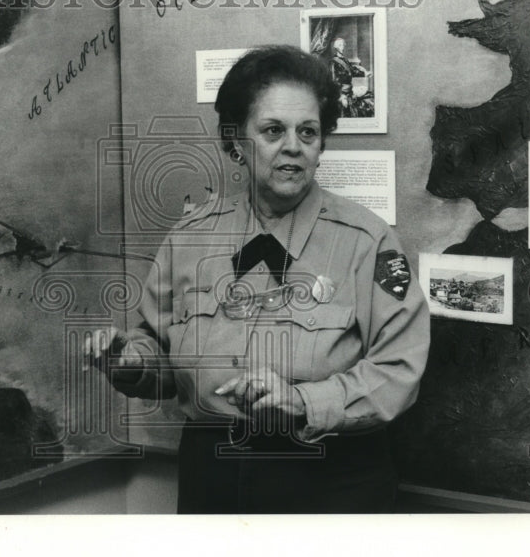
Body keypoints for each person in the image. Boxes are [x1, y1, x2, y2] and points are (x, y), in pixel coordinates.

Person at [86, 45, 429, 513]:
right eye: (273, 130)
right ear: (235, 141)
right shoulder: (189, 239)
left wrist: (303, 401)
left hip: (332, 479)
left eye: (308, 132)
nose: (293, 146)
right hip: (213, 474)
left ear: (322, 144)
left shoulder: (367, 242)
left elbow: (398, 372)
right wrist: (129, 364)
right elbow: (162, 358)